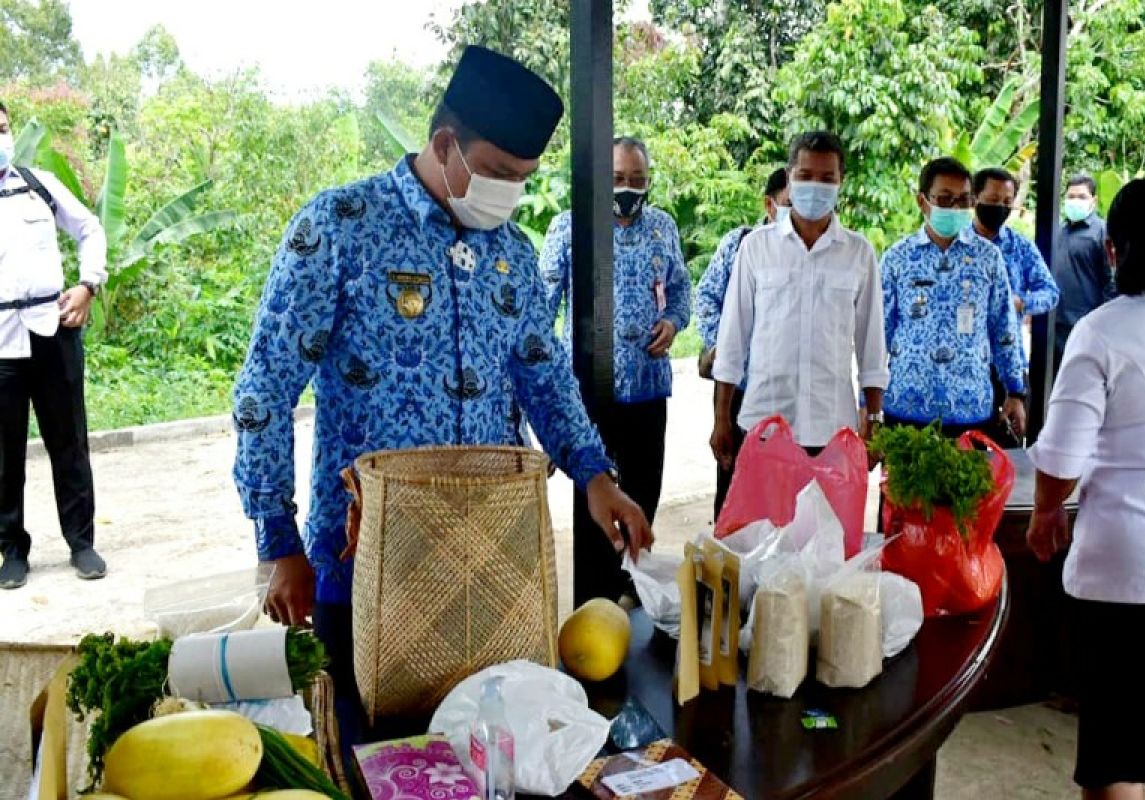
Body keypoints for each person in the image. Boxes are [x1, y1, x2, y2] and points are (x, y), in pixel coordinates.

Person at [232, 46, 652, 749]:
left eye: (522, 179)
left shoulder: (512, 253)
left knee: (493, 751)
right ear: (444, 146)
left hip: (492, 559)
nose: (508, 192)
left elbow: (542, 376)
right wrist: (278, 540)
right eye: (496, 173)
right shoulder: (339, 227)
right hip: (363, 563)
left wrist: (596, 477)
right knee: (372, 750)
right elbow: (263, 392)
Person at [1027, 177, 1145, 800]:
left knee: (1113, 750)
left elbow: (1063, 457)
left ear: (1115, 249)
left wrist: (1045, 511)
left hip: (1124, 579)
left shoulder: (1102, 332)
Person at [540, 136, 690, 603]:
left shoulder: (663, 228)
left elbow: (681, 291)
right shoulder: (569, 228)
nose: (628, 188)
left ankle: (632, 582)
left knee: (644, 491)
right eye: (618, 178)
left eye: (637, 180)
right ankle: (596, 594)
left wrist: (672, 322)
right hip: (588, 392)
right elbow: (542, 311)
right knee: (597, 495)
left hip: (647, 387)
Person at [710, 131, 888, 469]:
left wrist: (875, 418)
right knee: (764, 523)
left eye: (827, 178)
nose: (815, 186)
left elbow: (872, 348)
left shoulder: (858, 253)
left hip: (833, 429)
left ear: (841, 182)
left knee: (828, 522)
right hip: (764, 424)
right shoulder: (755, 248)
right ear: (790, 177)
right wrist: (721, 419)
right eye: (805, 176)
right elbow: (732, 342)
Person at [0, 100, 108, 590]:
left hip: (53, 328)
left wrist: (89, 285)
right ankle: (12, 550)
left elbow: (89, 227)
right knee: (4, 451)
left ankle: (82, 543)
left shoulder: (38, 185)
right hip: (2, 341)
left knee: (69, 441)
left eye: (2, 128)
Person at [880, 157, 1027, 439]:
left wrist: (1016, 392)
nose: (956, 208)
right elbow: (879, 335)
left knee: (969, 483)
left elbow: (1003, 329)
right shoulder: (897, 258)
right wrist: (868, 405)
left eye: (964, 200)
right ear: (923, 202)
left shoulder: (988, 258)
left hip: (971, 408)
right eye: (945, 200)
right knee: (904, 484)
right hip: (906, 409)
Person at [694, 167, 789, 517]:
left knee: (784, 487)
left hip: (789, 393)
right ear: (770, 205)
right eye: (789, 204)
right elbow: (705, 297)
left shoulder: (819, 253)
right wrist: (721, 343)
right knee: (734, 482)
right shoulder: (740, 244)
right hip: (739, 389)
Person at [971, 166, 1059, 445]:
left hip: (1008, 366)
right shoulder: (957, 244)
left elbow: (1050, 292)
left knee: (1004, 449)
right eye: (993, 200)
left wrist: (1019, 303)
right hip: (965, 364)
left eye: (1006, 202)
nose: (999, 208)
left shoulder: (1019, 247)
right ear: (975, 198)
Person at [1052, 174, 1114, 366]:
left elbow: (1111, 282)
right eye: (1071, 197)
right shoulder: (1058, 232)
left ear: (1093, 201)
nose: (1075, 201)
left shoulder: (1101, 233)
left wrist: (1102, 321)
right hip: (1054, 326)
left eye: (1081, 197)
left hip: (1085, 325)